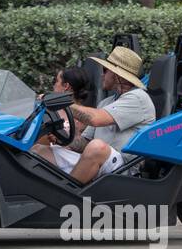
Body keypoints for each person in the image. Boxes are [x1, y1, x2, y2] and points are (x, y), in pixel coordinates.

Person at [34, 46, 155, 184]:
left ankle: (65, 194)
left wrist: (59, 102)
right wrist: (61, 136)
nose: (101, 75)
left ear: (117, 75)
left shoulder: (138, 98)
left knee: (98, 147)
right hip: (99, 161)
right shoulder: (106, 102)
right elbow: (85, 143)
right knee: (39, 150)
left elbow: (95, 119)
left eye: (105, 70)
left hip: (124, 169)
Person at [36, 65, 95, 146]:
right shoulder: (50, 108)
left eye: (56, 81)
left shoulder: (82, 117)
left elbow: (81, 146)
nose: (54, 85)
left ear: (66, 86)